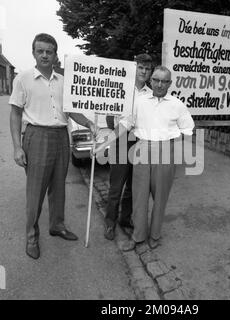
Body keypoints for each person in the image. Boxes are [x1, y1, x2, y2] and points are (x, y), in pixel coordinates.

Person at [9, 33, 99, 259]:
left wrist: (88, 122)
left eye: (49, 51)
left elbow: (70, 111)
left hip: (61, 136)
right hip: (36, 136)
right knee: (35, 190)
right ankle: (31, 236)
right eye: (40, 51)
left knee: (59, 186)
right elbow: (15, 113)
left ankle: (57, 225)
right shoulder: (23, 79)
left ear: (55, 54)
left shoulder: (63, 81)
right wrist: (17, 147)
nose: (45, 55)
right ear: (33, 53)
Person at [95, 66, 194, 251]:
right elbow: (125, 124)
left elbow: (188, 128)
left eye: (164, 81)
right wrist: (104, 142)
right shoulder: (139, 101)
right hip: (141, 148)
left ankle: (155, 235)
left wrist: (175, 148)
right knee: (138, 197)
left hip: (166, 152)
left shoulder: (177, 104)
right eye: (156, 80)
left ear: (170, 84)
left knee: (160, 197)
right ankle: (138, 236)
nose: (159, 84)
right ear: (151, 81)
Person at [103, 53, 153, 240]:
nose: (144, 72)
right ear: (134, 68)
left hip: (141, 143)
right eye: (141, 67)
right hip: (121, 141)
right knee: (116, 187)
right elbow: (109, 120)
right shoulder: (121, 89)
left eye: (147, 69)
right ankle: (110, 223)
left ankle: (125, 219)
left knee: (133, 187)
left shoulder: (150, 94)